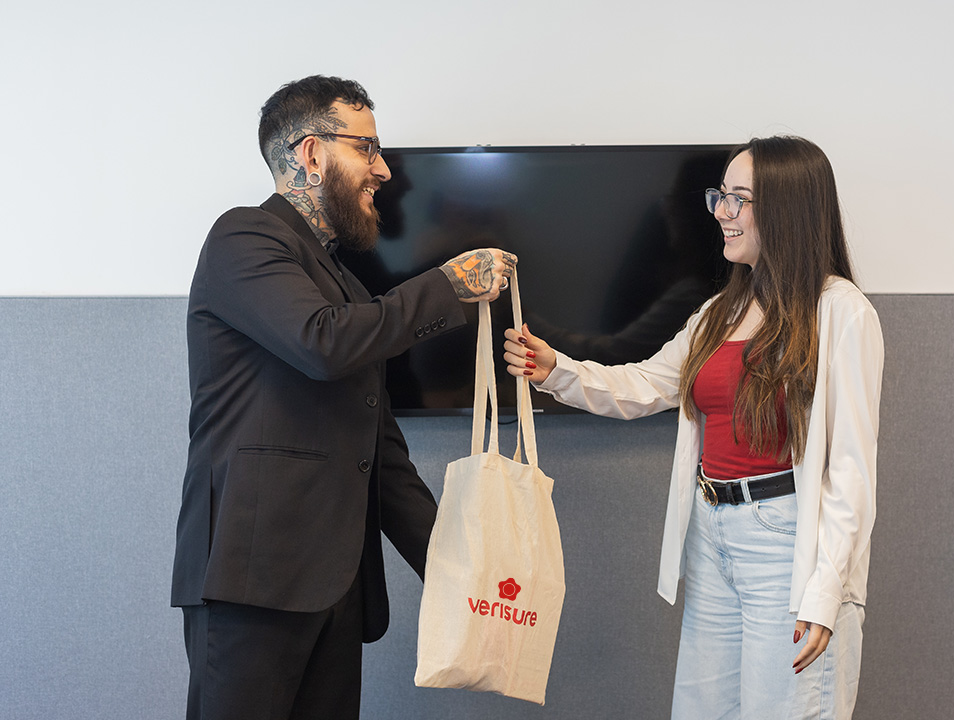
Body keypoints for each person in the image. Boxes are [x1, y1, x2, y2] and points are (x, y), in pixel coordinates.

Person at [171, 75, 516, 720]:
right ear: (311, 153)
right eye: (367, 148)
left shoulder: (350, 289)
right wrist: (447, 285)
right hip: (252, 580)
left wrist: (459, 570)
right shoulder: (243, 238)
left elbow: (380, 457)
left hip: (336, 589)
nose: (383, 171)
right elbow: (321, 343)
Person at [504, 136, 884, 719]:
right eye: (719, 196)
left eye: (739, 199)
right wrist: (555, 370)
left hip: (785, 543)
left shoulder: (841, 311)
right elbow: (644, 384)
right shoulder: (719, 311)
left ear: (788, 208)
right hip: (712, 533)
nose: (721, 213)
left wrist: (826, 590)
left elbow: (852, 469)